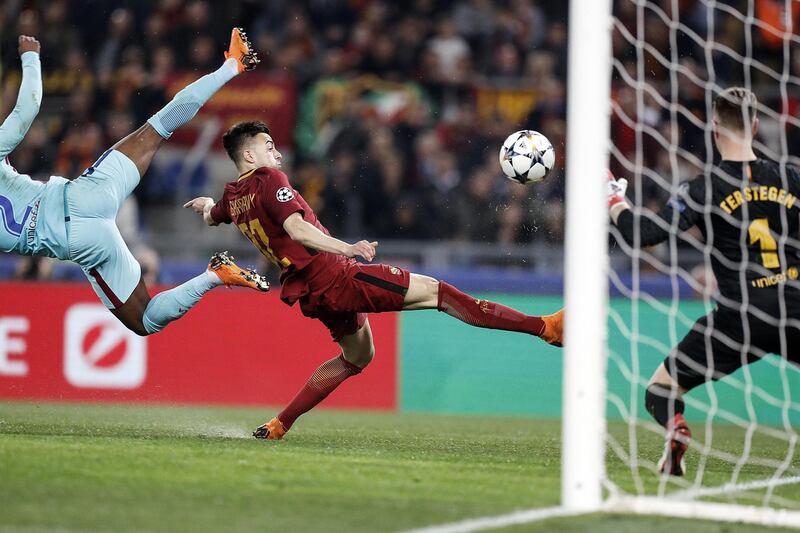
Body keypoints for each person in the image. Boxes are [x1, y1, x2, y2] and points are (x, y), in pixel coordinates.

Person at [184, 121, 565, 440]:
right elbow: (297, 229)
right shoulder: (269, 178)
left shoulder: (233, 196)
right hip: (336, 275)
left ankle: (280, 423)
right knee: (440, 293)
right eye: (269, 147)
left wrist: (205, 207)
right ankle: (545, 328)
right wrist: (346, 249)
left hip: (313, 294)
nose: (277, 154)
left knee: (358, 357)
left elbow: (213, 215)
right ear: (249, 156)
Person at [0, 31, 268, 336]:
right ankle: (233, 64)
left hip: (81, 241)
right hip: (84, 195)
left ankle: (214, 276)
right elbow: (26, 111)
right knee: (158, 126)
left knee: (145, 320)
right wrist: (31, 57)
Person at [608, 87, 800, 476]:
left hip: (738, 317)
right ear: (757, 125)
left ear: (714, 127)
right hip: (793, 306)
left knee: (660, 390)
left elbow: (642, 235)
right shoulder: (791, 177)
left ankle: (676, 429)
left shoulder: (702, 189)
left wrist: (614, 201)